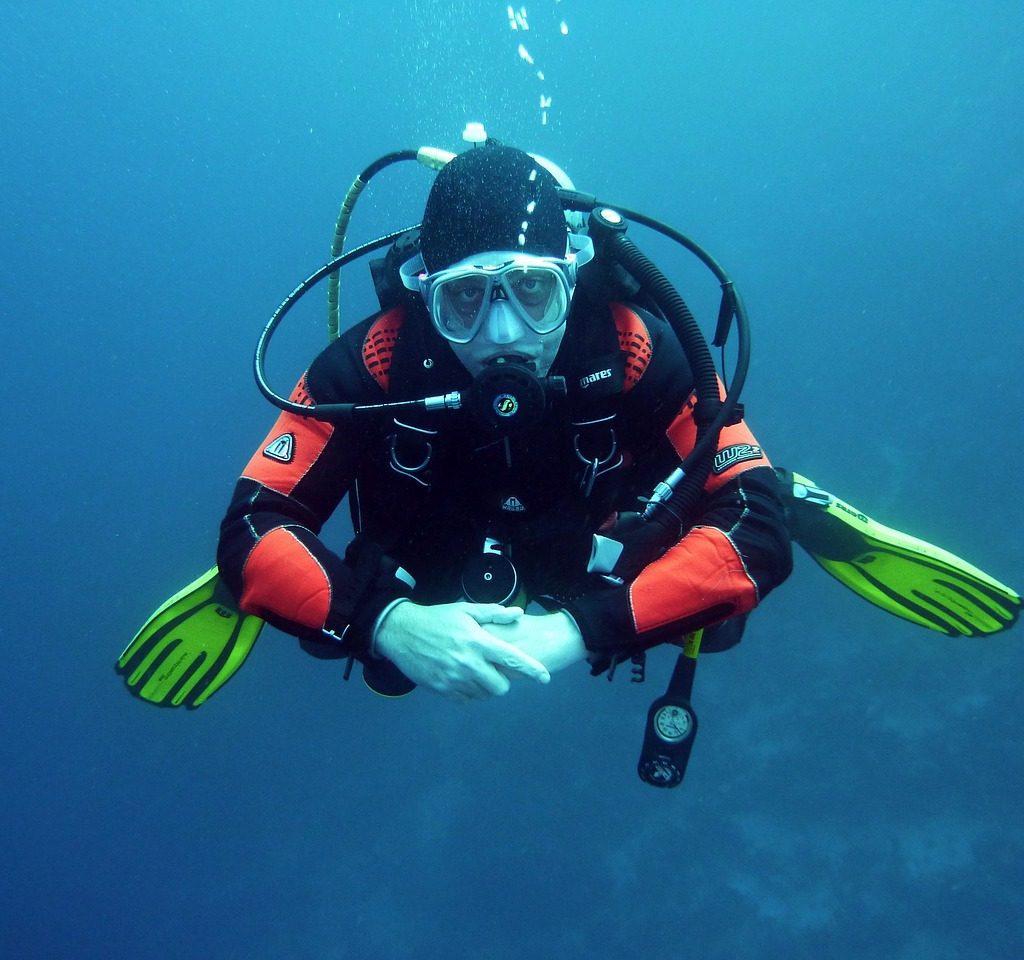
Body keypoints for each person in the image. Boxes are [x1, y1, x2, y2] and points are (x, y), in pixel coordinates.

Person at [213, 143, 794, 702]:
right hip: (430, 564)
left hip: (596, 551)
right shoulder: (375, 363)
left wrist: (578, 630)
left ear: (571, 277)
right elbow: (251, 522)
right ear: (424, 295)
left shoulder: (633, 346)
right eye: (464, 298)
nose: (504, 334)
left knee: (716, 623)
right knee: (345, 642)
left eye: (533, 288)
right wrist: (384, 623)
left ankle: (796, 493)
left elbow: (757, 520)